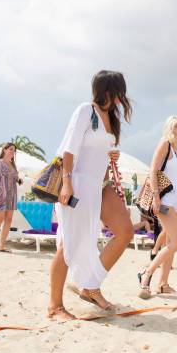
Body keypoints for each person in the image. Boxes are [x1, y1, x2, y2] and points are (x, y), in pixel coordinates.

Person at [48, 70, 134, 321]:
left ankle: (90, 284)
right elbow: (69, 149)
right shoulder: (87, 110)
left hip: (99, 184)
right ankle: (54, 307)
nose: (123, 96)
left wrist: (112, 157)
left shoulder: (110, 118)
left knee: (125, 231)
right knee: (69, 245)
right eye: (120, 90)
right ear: (109, 90)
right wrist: (66, 182)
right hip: (76, 181)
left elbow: (97, 155)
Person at [137, 116, 177, 298]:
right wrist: (156, 196)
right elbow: (152, 170)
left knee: (170, 243)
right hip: (165, 199)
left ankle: (163, 284)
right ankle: (146, 273)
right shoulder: (165, 144)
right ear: (172, 127)